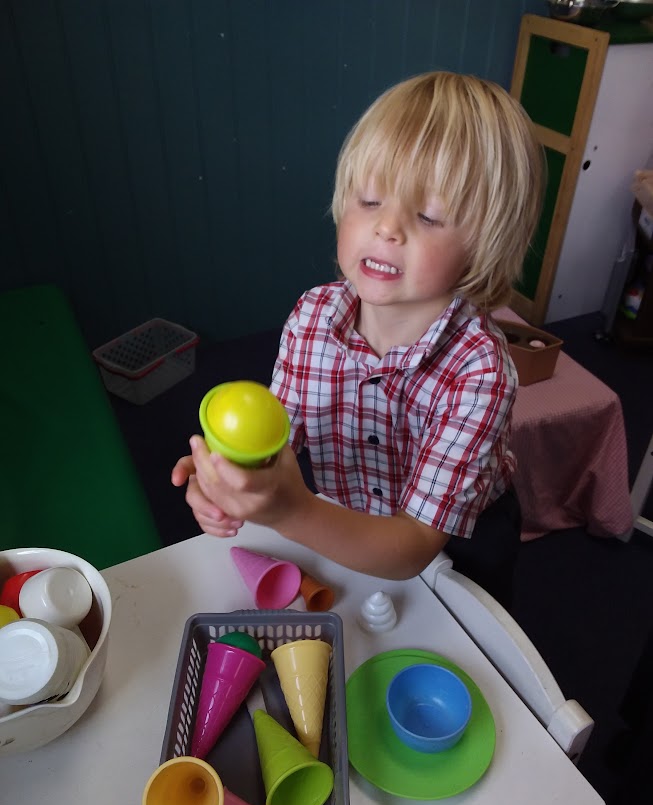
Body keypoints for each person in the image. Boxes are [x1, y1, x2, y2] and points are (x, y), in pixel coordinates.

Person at [172, 71, 544, 609]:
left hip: (457, 546)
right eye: (369, 200)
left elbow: (416, 545)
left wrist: (291, 512)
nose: (387, 228)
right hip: (337, 523)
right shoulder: (312, 317)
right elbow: (278, 443)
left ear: (485, 243)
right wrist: (227, 485)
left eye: (428, 215)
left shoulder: (481, 370)